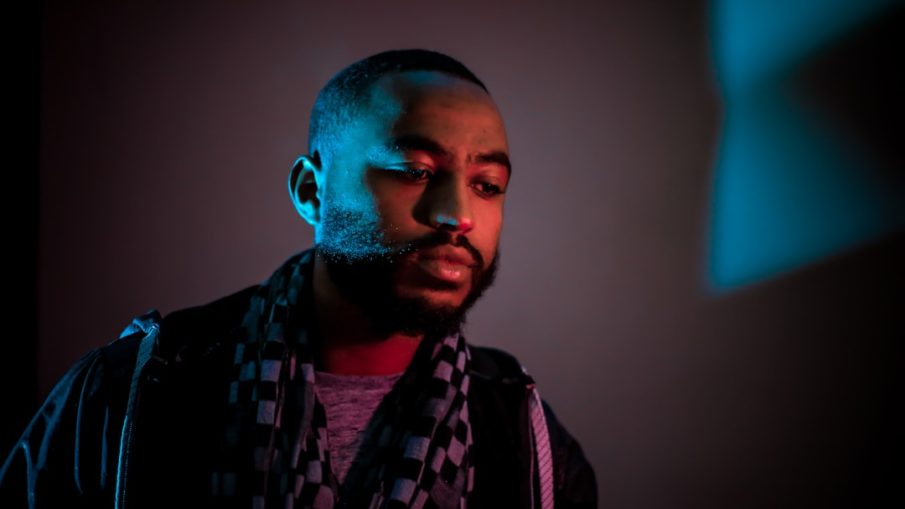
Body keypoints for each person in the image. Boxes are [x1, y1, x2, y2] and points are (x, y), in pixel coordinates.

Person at [1, 49, 597, 508]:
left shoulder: (525, 436)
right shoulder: (132, 393)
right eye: (415, 171)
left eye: (488, 185)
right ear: (312, 190)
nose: (458, 214)